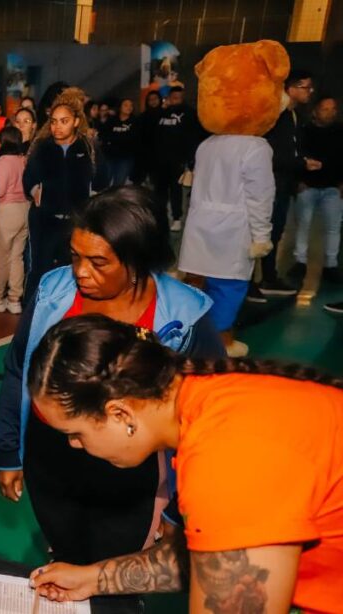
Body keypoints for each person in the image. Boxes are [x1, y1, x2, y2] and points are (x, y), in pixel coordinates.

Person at [26, 315, 343, 613]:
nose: (74, 446)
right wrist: (94, 578)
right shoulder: (210, 399)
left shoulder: (227, 455)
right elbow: (216, 560)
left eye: (75, 434)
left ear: (120, 413)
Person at [0, 186, 224, 570]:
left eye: (98, 262)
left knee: (117, 560)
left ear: (137, 259)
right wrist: (8, 452)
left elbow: (205, 420)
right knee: (66, 549)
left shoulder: (184, 318)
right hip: (50, 453)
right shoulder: (54, 292)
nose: (81, 272)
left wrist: (177, 510)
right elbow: (19, 366)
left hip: (131, 468)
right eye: (75, 256)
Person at [178, 113, 274, 358]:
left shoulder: (207, 144)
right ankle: (221, 344)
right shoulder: (255, 147)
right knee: (229, 287)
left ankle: (190, 339)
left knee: (198, 286)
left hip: (200, 226)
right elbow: (260, 196)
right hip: (233, 230)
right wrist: (262, 235)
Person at [23, 87, 108, 299]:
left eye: (64, 121)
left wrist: (92, 201)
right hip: (45, 221)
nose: (57, 127)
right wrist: (35, 191)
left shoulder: (88, 147)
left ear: (76, 121)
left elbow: (104, 178)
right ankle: (32, 314)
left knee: (75, 271)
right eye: (54, 121)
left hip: (77, 222)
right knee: (39, 270)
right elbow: (28, 179)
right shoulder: (42, 147)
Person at [261, 69, 318, 296]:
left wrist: (301, 161)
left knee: (276, 231)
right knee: (265, 231)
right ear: (290, 89)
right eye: (305, 87)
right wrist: (300, 163)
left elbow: (291, 150)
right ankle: (258, 280)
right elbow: (272, 153)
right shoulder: (277, 115)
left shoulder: (295, 117)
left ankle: (268, 276)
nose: (309, 92)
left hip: (284, 184)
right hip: (271, 184)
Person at [293, 95, 341, 284]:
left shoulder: (340, 131)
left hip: (333, 187)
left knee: (333, 228)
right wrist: (299, 180)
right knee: (303, 225)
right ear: (315, 111)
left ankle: (331, 264)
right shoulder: (304, 131)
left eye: (333, 109)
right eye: (325, 109)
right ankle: (300, 261)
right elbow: (296, 155)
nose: (330, 113)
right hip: (308, 185)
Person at [0, 127, 29, 316]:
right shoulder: (23, 160)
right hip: (24, 209)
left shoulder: (3, 161)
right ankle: (14, 299)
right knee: (16, 257)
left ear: (2, 142)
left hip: (6, 211)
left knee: (0, 257)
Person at [152, 86, 201, 233]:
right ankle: (159, 217)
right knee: (159, 191)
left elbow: (193, 138)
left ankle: (177, 218)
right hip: (160, 160)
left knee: (175, 190)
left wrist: (190, 160)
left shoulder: (189, 114)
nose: (176, 99)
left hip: (178, 160)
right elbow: (155, 136)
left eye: (178, 97)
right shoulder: (161, 113)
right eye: (173, 97)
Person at [100, 99, 139, 187]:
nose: (129, 107)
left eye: (131, 105)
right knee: (104, 182)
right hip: (110, 155)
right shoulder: (112, 120)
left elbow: (132, 138)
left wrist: (114, 139)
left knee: (118, 184)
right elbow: (104, 135)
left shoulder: (135, 121)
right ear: (120, 107)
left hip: (125, 157)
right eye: (126, 105)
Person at [132, 90, 164, 185]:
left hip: (160, 155)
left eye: (155, 99)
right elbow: (137, 136)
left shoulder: (166, 115)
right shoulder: (142, 117)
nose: (153, 101)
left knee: (158, 183)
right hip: (144, 154)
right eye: (150, 99)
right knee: (139, 182)